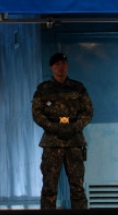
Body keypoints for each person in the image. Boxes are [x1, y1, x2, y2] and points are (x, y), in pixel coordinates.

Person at [31, 53, 93, 210]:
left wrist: (75, 126)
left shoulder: (78, 88)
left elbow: (88, 111)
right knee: (49, 187)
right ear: (52, 68)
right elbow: (37, 114)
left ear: (68, 66)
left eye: (63, 63)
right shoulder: (44, 89)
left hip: (74, 141)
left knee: (77, 186)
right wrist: (55, 127)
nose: (61, 67)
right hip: (52, 142)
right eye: (57, 64)